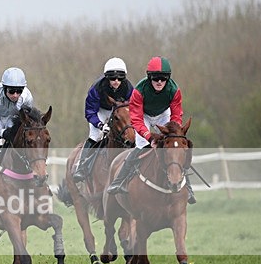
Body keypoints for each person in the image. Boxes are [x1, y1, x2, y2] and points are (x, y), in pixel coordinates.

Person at [106, 56, 196, 203]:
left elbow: (176, 114)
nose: (159, 82)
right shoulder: (139, 91)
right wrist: (149, 137)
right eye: (155, 78)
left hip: (163, 114)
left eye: (163, 78)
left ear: (168, 78)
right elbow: (136, 119)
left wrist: (173, 133)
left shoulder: (174, 90)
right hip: (144, 116)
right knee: (140, 146)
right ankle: (119, 181)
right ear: (149, 78)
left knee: (176, 147)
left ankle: (189, 189)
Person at [72, 57, 134, 182]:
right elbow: (90, 112)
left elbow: (133, 107)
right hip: (101, 110)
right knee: (95, 135)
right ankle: (82, 167)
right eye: (112, 78)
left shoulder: (128, 88)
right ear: (107, 77)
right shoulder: (97, 88)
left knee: (132, 135)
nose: (116, 81)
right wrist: (100, 125)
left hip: (121, 110)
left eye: (120, 78)